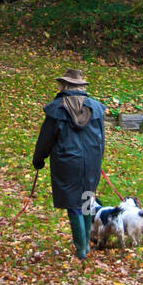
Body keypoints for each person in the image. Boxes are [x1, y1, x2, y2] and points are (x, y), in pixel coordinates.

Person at [32, 68, 105, 260]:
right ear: (79, 86)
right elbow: (101, 139)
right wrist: (98, 160)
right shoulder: (96, 108)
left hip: (66, 162)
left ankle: (81, 248)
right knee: (88, 199)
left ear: (64, 85)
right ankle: (86, 244)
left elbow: (45, 139)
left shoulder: (56, 109)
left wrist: (38, 160)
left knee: (74, 204)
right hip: (91, 161)